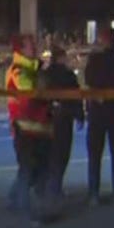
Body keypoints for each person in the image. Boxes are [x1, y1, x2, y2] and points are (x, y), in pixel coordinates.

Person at [6, 33, 53, 224]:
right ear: (20, 50)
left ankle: (15, 199)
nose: (34, 48)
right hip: (26, 127)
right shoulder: (19, 71)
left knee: (34, 170)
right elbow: (30, 96)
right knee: (29, 170)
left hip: (39, 126)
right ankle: (28, 211)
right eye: (30, 45)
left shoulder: (32, 68)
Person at [83, 27, 114, 205]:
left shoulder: (94, 60)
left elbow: (88, 80)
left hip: (98, 110)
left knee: (94, 155)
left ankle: (93, 193)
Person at [39, 46, 83, 199]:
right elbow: (76, 95)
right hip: (64, 117)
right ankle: (55, 187)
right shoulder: (67, 74)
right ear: (61, 57)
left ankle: (45, 186)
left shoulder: (44, 74)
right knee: (62, 152)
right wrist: (80, 115)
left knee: (48, 152)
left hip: (47, 117)